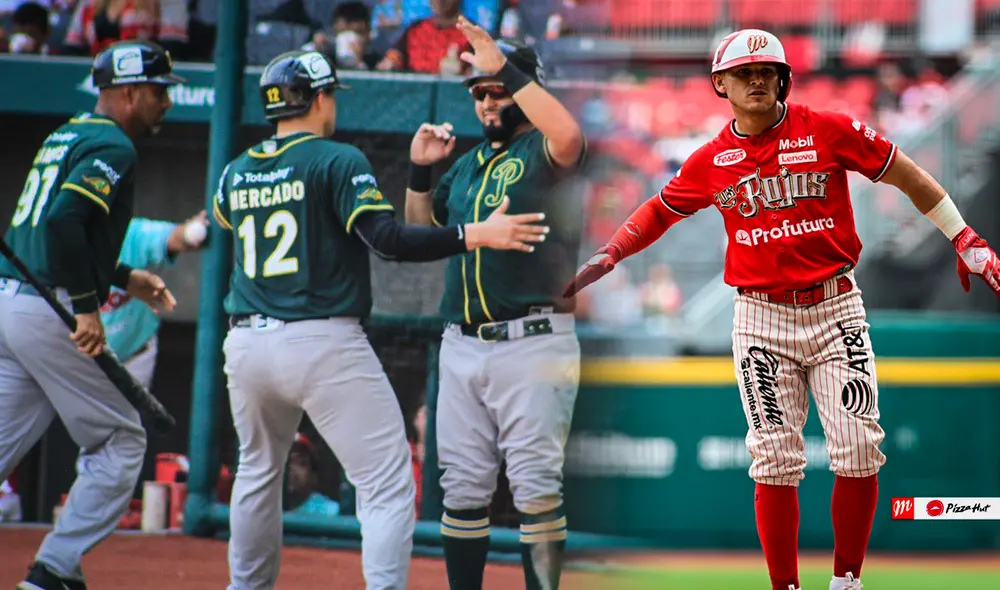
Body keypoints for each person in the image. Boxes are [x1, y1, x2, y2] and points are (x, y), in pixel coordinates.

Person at [564, 28, 1000, 590]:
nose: (755, 80)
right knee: (773, 458)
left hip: (835, 307)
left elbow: (906, 174)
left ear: (783, 78)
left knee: (860, 449)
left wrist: (963, 236)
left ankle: (846, 580)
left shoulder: (829, 129)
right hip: (760, 319)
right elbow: (659, 210)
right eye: (743, 73)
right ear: (720, 83)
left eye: (766, 71)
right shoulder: (710, 160)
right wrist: (614, 251)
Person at [213, 49, 548, 590]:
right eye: (330, 98)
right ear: (319, 98)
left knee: (256, 472)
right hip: (320, 337)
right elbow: (389, 241)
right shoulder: (336, 159)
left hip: (247, 343)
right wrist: (475, 234)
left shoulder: (235, 169)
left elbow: (223, 221)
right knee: (387, 482)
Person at [404, 22, 587, 590]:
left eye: (496, 90)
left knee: (536, 488)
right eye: (478, 93)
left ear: (524, 87)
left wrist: (505, 67)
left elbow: (571, 135)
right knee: (461, 491)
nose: (485, 101)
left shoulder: (543, 148)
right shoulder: (468, 164)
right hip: (461, 342)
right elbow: (420, 232)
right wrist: (419, 168)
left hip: (533, 340)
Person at [0, 39, 181, 590]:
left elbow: (56, 230)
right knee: (122, 440)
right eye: (157, 92)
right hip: (47, 306)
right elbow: (62, 225)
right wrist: (88, 310)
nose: (166, 102)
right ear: (126, 94)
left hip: (12, 300)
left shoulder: (67, 132)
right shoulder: (115, 145)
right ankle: (53, 571)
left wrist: (125, 276)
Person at [102, 211, 209, 389]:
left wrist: (190, 231)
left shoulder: (130, 231)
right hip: (77, 364)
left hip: (133, 357)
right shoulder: (57, 239)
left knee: (129, 416)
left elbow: (174, 238)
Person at [376, 0, 470, 74]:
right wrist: (390, 61)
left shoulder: (472, 34)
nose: (440, 1)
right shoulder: (416, 29)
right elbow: (395, 55)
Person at [304, 1, 381, 71]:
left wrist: (358, 61)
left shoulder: (373, 55)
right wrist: (316, 48)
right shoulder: (329, 50)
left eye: (357, 33)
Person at [284, 433, 340, 517]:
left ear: (314, 476)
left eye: (300, 462)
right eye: (285, 461)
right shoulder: (264, 504)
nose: (291, 469)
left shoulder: (331, 512)